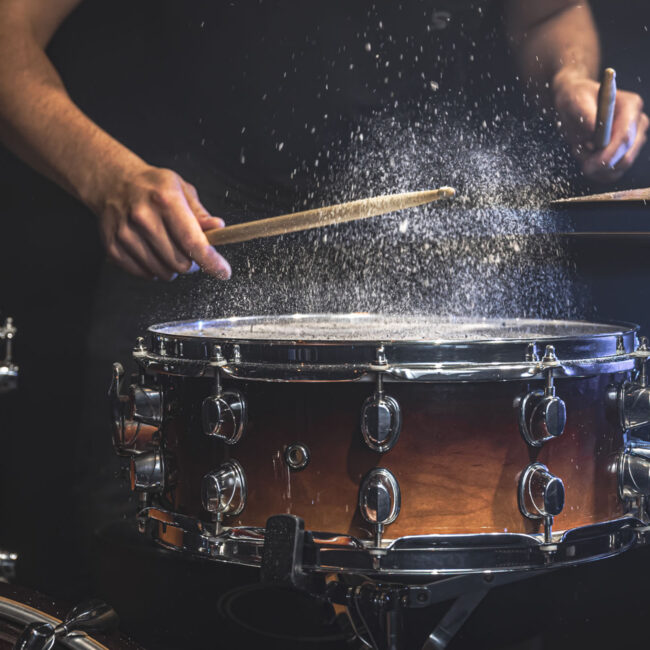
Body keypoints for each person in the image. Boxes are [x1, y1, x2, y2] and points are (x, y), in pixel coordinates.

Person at [0, 0, 646, 283]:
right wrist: (108, 176)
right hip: (197, 240)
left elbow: (548, 12)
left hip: (439, 247)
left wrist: (570, 79)